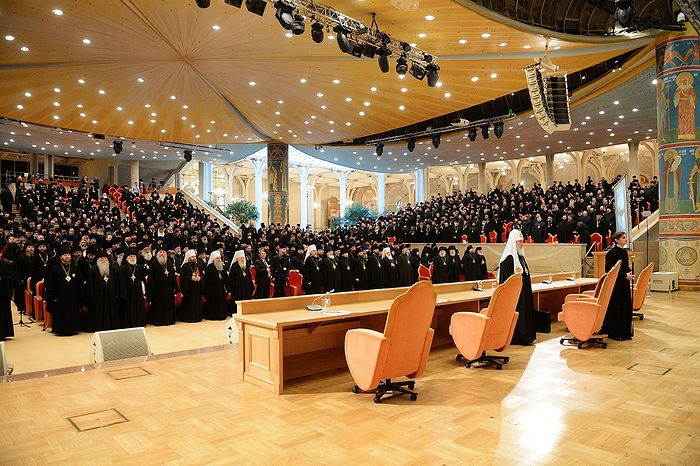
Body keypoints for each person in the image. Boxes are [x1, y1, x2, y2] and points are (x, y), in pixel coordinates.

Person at [498, 230, 536, 345]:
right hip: (515, 298)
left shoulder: (520, 257)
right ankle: (517, 338)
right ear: (513, 243)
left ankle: (527, 337)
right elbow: (507, 283)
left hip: (524, 294)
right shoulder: (508, 259)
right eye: (519, 242)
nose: (522, 244)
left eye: (522, 241)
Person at [45, 244, 83, 336]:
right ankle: (60, 330)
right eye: (65, 255)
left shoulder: (74, 268)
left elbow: (80, 283)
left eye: (68, 255)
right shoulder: (55, 269)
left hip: (73, 297)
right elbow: (51, 285)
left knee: (73, 312)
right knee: (61, 313)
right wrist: (53, 297)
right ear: (60, 257)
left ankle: (73, 329)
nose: (67, 257)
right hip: (60, 298)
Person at [602, 231, 634, 340]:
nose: (626, 239)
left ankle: (625, 332)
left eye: (626, 237)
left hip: (624, 283)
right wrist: (625, 275)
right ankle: (615, 333)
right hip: (616, 284)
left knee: (625, 307)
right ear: (616, 240)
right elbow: (609, 270)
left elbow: (624, 267)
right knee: (617, 307)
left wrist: (629, 271)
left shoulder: (624, 252)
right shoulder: (611, 253)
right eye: (623, 237)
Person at [86, 250, 120, 331]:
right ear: (97, 261)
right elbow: (90, 287)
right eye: (101, 259)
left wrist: (116, 295)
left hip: (111, 297)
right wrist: (92, 299)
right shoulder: (92, 270)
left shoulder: (113, 269)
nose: (104, 261)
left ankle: (112, 325)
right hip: (98, 299)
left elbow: (117, 284)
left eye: (105, 259)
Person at [147, 247, 177, 326]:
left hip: (169, 290)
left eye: (163, 252)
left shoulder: (169, 263)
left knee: (169, 305)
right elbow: (151, 279)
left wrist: (175, 287)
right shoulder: (153, 264)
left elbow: (173, 276)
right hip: (158, 291)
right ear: (157, 254)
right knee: (158, 305)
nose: (162, 254)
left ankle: (169, 320)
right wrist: (152, 291)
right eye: (160, 252)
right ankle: (158, 320)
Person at [118, 248, 146, 328]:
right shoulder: (123, 268)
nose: (133, 258)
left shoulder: (139, 268)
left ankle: (139, 322)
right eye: (131, 257)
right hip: (128, 293)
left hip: (138, 293)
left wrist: (144, 292)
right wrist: (123, 294)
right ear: (127, 258)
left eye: (134, 256)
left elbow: (143, 280)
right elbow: (121, 282)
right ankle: (129, 323)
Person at [203, 250, 228, 320]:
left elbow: (226, 279)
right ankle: (213, 316)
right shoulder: (209, 268)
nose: (219, 260)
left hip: (221, 290)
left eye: (220, 258)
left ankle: (221, 315)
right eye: (217, 258)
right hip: (212, 291)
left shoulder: (222, 268)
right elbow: (207, 282)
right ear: (213, 259)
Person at [179, 249, 203, 322]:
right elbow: (182, 277)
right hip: (188, 289)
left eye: (195, 257)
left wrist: (200, 278)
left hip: (196, 288)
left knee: (196, 302)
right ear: (188, 258)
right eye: (192, 257)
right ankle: (188, 318)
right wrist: (190, 278)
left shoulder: (198, 266)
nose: (194, 258)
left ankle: (197, 317)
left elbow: (202, 276)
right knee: (189, 303)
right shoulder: (185, 266)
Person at [0, 256, 19, 340]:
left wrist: (2, 278)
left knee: (3, 312)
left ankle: (3, 333)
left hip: (3, 293)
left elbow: (13, 278)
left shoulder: (6, 265)